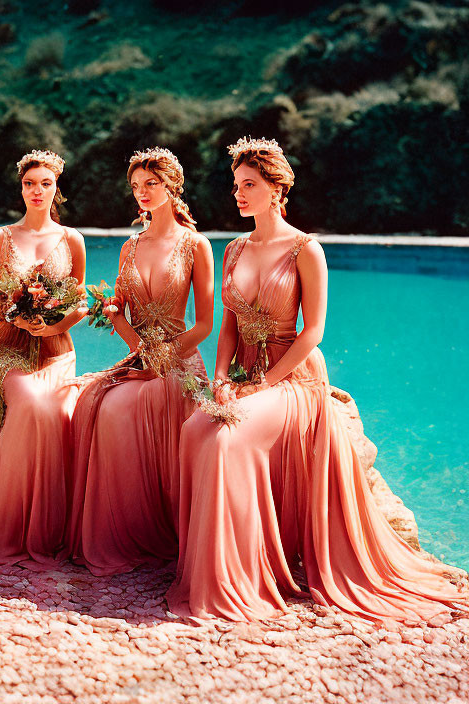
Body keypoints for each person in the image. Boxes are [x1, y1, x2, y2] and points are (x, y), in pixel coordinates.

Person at [166, 136, 467, 622]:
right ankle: (214, 564)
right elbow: (229, 324)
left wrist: (264, 384)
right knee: (195, 429)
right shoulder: (235, 249)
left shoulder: (306, 249)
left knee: (227, 440)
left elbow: (314, 333)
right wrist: (222, 378)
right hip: (243, 373)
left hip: (293, 381)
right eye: (235, 185)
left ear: (276, 188)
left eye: (249, 185)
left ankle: (237, 579)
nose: (238, 194)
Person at [66, 148, 213, 576]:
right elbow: (119, 309)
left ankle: (158, 532)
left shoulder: (196, 245)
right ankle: (119, 531)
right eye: (136, 187)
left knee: (121, 408)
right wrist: (108, 310)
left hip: (181, 358)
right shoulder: (130, 247)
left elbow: (204, 324)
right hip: (140, 357)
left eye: (151, 184)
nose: (143, 193)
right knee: (96, 403)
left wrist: (162, 359)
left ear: (172, 185)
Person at [0, 149, 87, 568]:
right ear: (20, 188)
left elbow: (79, 303)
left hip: (57, 349)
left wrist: (55, 325)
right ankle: (10, 527)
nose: (36, 191)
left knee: (56, 413)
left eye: (45, 183)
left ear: (56, 187)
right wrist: (18, 315)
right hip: (7, 346)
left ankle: (50, 529)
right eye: (29, 184)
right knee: (29, 403)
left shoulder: (72, 239)